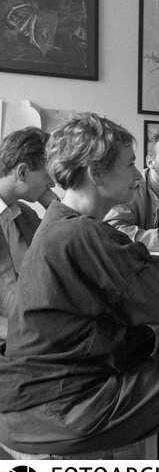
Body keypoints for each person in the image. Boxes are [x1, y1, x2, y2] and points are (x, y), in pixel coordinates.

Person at [0, 113, 159, 459]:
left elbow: (140, 273)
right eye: (129, 165)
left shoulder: (58, 223)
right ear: (96, 173)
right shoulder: (83, 233)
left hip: (32, 397)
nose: (136, 176)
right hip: (60, 406)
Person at [0, 127, 59, 341]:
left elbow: (63, 248)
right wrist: (24, 335)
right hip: (15, 341)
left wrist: (54, 205)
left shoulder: (23, 214)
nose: (53, 183)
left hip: (29, 328)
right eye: (48, 175)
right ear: (23, 172)